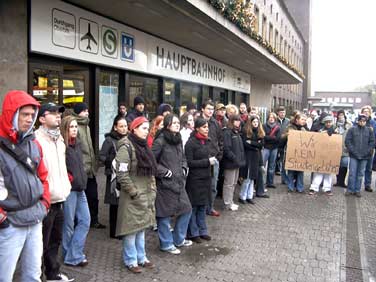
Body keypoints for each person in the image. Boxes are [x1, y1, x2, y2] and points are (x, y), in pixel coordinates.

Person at [0, 90, 50, 282]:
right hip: (10, 223)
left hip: (35, 219)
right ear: (12, 114)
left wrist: (44, 203)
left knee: (33, 274)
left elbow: (43, 176)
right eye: (25, 114)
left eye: (32, 115)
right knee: (5, 276)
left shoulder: (33, 144)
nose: (30, 119)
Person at [35, 103, 74, 281]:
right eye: (53, 113)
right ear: (42, 118)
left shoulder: (59, 139)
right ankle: (36, 275)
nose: (58, 116)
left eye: (59, 113)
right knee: (40, 243)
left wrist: (66, 182)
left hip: (60, 197)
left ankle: (52, 273)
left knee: (55, 240)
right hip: (45, 200)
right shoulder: (36, 140)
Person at [115, 116, 157, 274]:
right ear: (134, 129)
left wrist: (152, 189)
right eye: (144, 128)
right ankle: (130, 260)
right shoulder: (126, 147)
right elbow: (122, 174)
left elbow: (151, 170)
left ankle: (142, 257)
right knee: (131, 229)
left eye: (148, 128)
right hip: (133, 195)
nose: (147, 131)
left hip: (145, 193)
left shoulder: (144, 145)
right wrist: (133, 192)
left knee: (142, 227)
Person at [152, 114, 192, 254]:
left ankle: (179, 239)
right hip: (165, 184)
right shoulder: (160, 141)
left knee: (186, 209)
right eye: (174, 123)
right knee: (164, 215)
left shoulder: (178, 139)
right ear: (167, 124)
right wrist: (164, 172)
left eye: (177, 123)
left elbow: (183, 157)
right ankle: (166, 244)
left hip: (179, 182)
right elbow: (152, 161)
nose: (177, 124)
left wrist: (184, 167)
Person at [60, 116, 90, 267]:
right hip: (70, 190)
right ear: (65, 128)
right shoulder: (62, 146)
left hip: (81, 188)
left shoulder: (77, 144)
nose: (74, 129)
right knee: (68, 224)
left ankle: (73, 254)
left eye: (75, 126)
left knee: (85, 221)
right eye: (71, 127)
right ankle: (70, 255)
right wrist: (69, 178)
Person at [73, 102, 105, 229]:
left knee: (93, 196)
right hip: (82, 169)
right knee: (82, 196)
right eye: (84, 110)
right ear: (78, 112)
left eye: (87, 110)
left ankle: (94, 220)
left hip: (90, 169)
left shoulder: (86, 126)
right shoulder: (75, 126)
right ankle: (81, 221)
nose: (87, 112)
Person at [99, 115, 128, 239]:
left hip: (125, 174)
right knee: (115, 204)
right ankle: (114, 232)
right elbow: (101, 156)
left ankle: (122, 229)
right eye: (121, 126)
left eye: (125, 126)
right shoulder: (109, 140)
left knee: (124, 203)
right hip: (113, 177)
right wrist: (112, 161)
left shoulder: (129, 139)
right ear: (115, 127)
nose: (124, 129)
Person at [185, 117, 213, 243]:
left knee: (202, 205)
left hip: (206, 178)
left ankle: (203, 231)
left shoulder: (207, 141)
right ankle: (193, 232)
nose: (207, 129)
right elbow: (190, 162)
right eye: (204, 127)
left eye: (207, 127)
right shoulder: (191, 143)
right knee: (194, 206)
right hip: (195, 179)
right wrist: (207, 162)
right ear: (197, 128)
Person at [201, 100, 223, 217]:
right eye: (208, 109)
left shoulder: (215, 123)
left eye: (212, 109)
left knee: (213, 185)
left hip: (214, 159)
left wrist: (219, 155)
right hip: (201, 159)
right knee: (201, 185)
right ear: (202, 109)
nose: (210, 111)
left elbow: (220, 140)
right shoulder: (197, 122)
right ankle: (201, 209)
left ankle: (210, 207)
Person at [345, 114, 375, 197]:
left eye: (364, 121)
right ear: (358, 121)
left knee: (360, 174)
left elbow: (372, 142)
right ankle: (350, 189)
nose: (362, 122)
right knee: (352, 173)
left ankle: (357, 190)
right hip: (354, 155)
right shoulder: (352, 129)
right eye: (361, 121)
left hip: (365, 156)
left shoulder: (369, 130)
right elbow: (348, 141)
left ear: (366, 122)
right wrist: (353, 151)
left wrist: (367, 151)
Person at [239, 115, 265, 204]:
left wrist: (252, 143)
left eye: (257, 122)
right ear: (250, 122)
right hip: (248, 157)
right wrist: (256, 145)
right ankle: (242, 196)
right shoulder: (246, 131)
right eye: (254, 122)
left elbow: (261, 145)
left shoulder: (260, 132)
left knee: (252, 178)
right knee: (247, 178)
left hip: (256, 157)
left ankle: (249, 196)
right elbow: (245, 144)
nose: (255, 124)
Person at [222, 115, 245, 210]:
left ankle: (231, 201)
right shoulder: (227, 132)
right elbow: (226, 149)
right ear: (231, 121)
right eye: (236, 120)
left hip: (236, 163)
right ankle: (227, 203)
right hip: (230, 163)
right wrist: (234, 158)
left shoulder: (237, 132)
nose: (238, 122)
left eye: (239, 120)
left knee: (234, 183)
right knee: (228, 184)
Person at [308, 115, 336, 196]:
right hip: (321, 153)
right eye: (327, 122)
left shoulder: (335, 130)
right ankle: (314, 188)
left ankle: (327, 188)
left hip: (330, 154)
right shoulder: (320, 130)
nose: (328, 124)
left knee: (328, 172)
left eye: (329, 122)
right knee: (318, 171)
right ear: (324, 123)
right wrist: (320, 134)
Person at [286, 113, 308, 193]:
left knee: (300, 171)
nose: (304, 121)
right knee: (291, 170)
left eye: (305, 120)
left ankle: (300, 188)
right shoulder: (290, 127)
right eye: (302, 119)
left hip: (302, 153)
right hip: (292, 151)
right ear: (297, 120)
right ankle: (290, 187)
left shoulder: (305, 128)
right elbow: (285, 137)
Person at [359, 106, 376, 192]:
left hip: (370, 148)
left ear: (370, 113)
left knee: (369, 168)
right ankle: (357, 185)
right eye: (364, 111)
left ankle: (367, 184)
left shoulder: (373, 123)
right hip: (360, 148)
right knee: (360, 168)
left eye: (367, 111)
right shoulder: (358, 121)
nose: (366, 113)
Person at [334, 110, 352, 188]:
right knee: (337, 166)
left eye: (342, 115)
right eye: (339, 115)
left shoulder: (349, 125)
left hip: (345, 148)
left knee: (344, 165)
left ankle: (342, 182)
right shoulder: (335, 125)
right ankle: (338, 181)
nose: (340, 116)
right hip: (336, 148)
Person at [263, 112, 281, 188]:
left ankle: (270, 182)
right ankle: (261, 182)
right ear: (268, 118)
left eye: (273, 117)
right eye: (270, 117)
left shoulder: (278, 127)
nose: (271, 119)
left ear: (275, 119)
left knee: (271, 166)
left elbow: (278, 138)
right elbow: (263, 136)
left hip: (274, 148)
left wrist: (269, 138)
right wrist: (272, 138)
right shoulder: (264, 125)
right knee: (262, 165)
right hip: (266, 147)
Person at [275, 106, 290, 185]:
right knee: (273, 162)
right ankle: (270, 180)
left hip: (284, 145)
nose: (282, 114)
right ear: (278, 113)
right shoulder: (274, 120)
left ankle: (284, 179)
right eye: (281, 112)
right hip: (275, 144)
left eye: (284, 112)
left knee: (283, 162)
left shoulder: (288, 121)